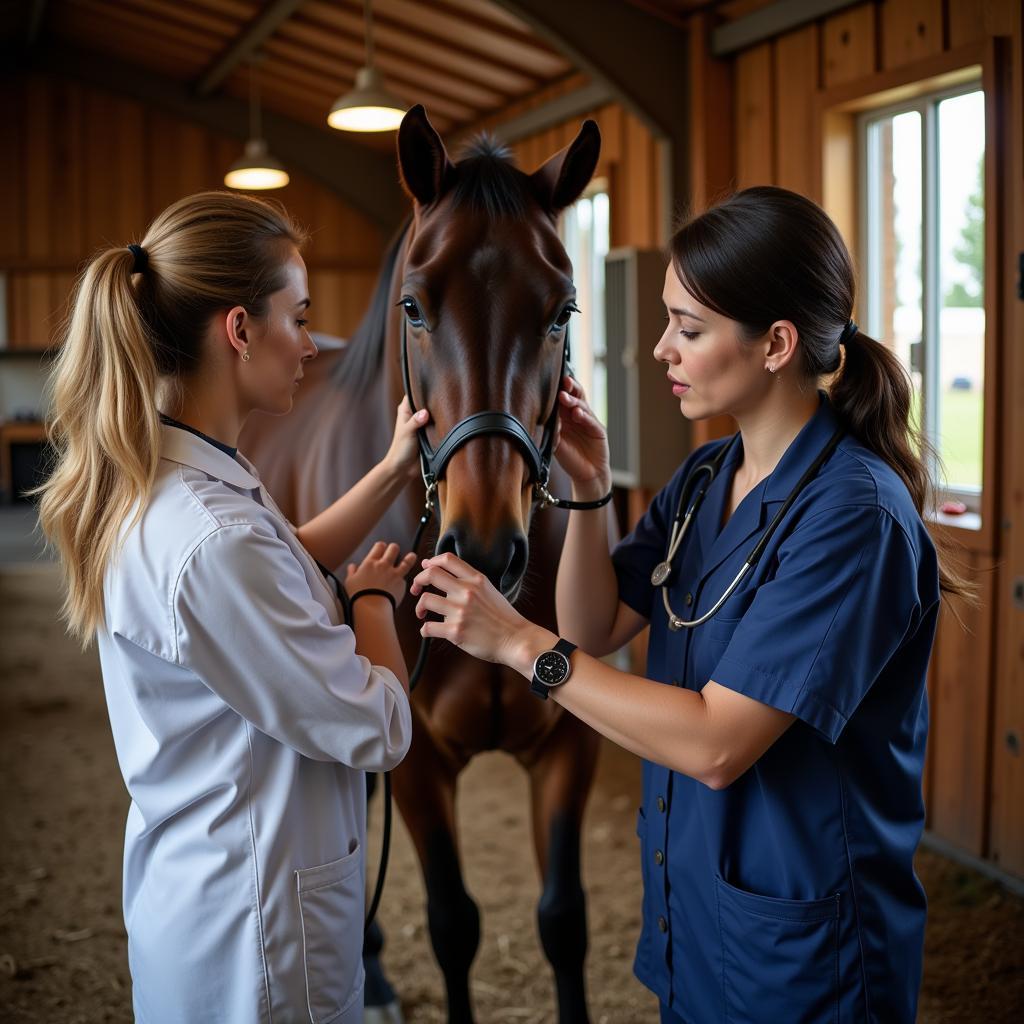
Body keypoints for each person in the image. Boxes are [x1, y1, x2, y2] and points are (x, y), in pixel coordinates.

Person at [408, 186, 973, 1023]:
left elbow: (714, 744)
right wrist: (593, 488)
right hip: (700, 921)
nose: (660, 349)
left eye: (690, 328)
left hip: (803, 955)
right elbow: (593, 629)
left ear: (777, 343)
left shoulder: (855, 517)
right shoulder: (708, 476)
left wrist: (519, 646)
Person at [36, 191, 429, 1023]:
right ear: (240, 330)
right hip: (259, 936)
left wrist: (394, 468)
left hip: (210, 893)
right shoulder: (214, 538)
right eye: (300, 316)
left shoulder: (185, 483)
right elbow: (379, 729)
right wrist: (370, 607)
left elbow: (288, 560)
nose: (312, 345)